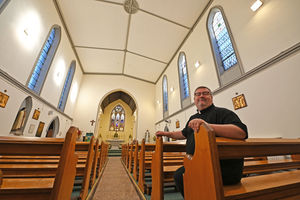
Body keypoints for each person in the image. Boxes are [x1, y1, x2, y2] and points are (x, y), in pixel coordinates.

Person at [156, 86, 248, 197]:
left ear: (211, 97)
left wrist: (206, 126)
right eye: (198, 94)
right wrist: (167, 134)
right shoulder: (193, 118)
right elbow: (184, 134)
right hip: (199, 164)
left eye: (205, 93)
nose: (201, 96)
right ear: (194, 100)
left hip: (222, 168)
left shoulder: (223, 113)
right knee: (181, 175)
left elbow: (241, 132)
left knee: (181, 175)